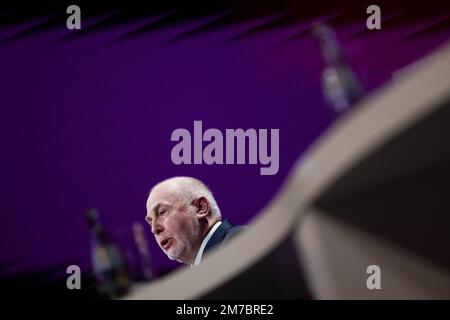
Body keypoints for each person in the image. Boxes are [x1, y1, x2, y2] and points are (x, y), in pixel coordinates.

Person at [145, 176, 243, 266]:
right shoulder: (205, 265)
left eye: (162, 212)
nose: (154, 229)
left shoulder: (238, 245)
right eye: (150, 222)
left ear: (200, 208)